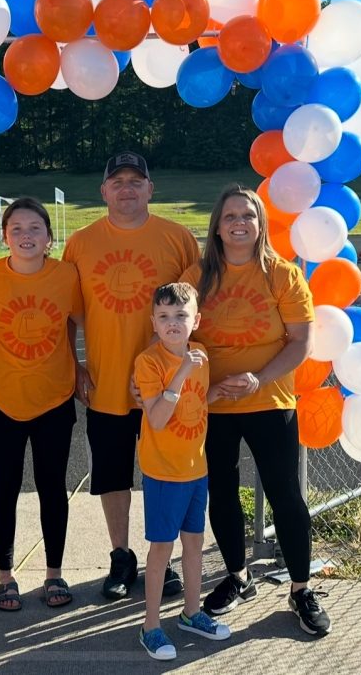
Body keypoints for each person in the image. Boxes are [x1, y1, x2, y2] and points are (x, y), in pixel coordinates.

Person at [180, 184, 331, 636]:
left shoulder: (283, 275)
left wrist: (258, 379)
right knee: (222, 492)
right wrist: (200, 386)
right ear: (217, 227)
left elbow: (301, 342)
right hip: (214, 404)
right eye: (230, 216)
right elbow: (174, 333)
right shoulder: (196, 276)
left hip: (269, 400)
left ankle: (300, 589)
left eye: (247, 215)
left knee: (286, 494)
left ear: (261, 223)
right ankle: (237, 576)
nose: (239, 223)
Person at [62, 151, 200, 600]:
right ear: (103, 191)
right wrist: (74, 364)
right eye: (117, 181)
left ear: (150, 189)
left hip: (165, 386)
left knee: (167, 474)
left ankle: (164, 556)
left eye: (135, 181)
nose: (126, 188)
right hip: (107, 382)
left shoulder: (178, 238)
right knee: (113, 475)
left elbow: (198, 312)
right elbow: (65, 313)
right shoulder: (80, 243)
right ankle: (121, 556)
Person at [0, 197, 84, 612]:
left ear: (49, 237)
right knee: (4, 488)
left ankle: (54, 573)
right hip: (0, 398)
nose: (26, 235)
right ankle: (5, 578)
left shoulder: (67, 276)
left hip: (53, 397)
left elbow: (80, 321)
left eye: (35, 228)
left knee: (52, 486)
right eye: (16, 229)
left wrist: (81, 367)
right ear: (5, 238)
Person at [134, 282, 230, 660]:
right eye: (164, 316)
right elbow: (158, 418)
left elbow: (194, 403)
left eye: (180, 315)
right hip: (163, 473)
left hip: (195, 468)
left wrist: (217, 392)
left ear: (196, 320)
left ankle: (192, 613)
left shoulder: (200, 355)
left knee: (194, 544)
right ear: (153, 322)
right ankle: (150, 626)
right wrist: (182, 371)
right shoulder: (149, 362)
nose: (172, 323)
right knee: (162, 549)